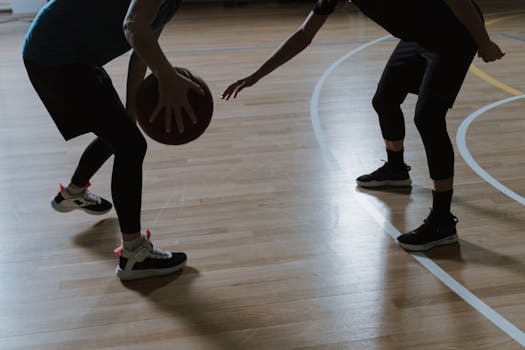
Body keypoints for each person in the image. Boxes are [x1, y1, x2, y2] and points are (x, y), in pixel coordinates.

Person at [222, 0, 504, 251]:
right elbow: (305, 33)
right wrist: (258, 74)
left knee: (428, 118)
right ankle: (395, 170)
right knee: (384, 100)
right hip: (418, 36)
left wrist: (484, 41)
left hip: (454, 33)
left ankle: (443, 222)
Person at [23, 0, 203, 280]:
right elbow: (133, 25)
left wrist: (131, 113)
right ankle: (133, 254)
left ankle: (72, 193)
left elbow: (142, 47)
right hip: (55, 56)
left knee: (122, 134)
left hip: (71, 53)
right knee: (130, 145)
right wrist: (166, 76)